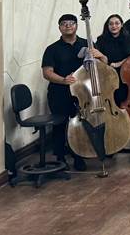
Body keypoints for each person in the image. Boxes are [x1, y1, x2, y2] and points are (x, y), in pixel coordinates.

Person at [41, 13, 107, 171]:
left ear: (77, 26)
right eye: (64, 24)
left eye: (71, 23)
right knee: (61, 124)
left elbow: (103, 65)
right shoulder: (52, 49)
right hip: (60, 92)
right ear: (59, 28)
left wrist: (102, 56)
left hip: (84, 93)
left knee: (82, 124)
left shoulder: (87, 44)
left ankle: (79, 155)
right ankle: (60, 157)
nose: (68, 26)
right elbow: (47, 72)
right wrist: (64, 80)